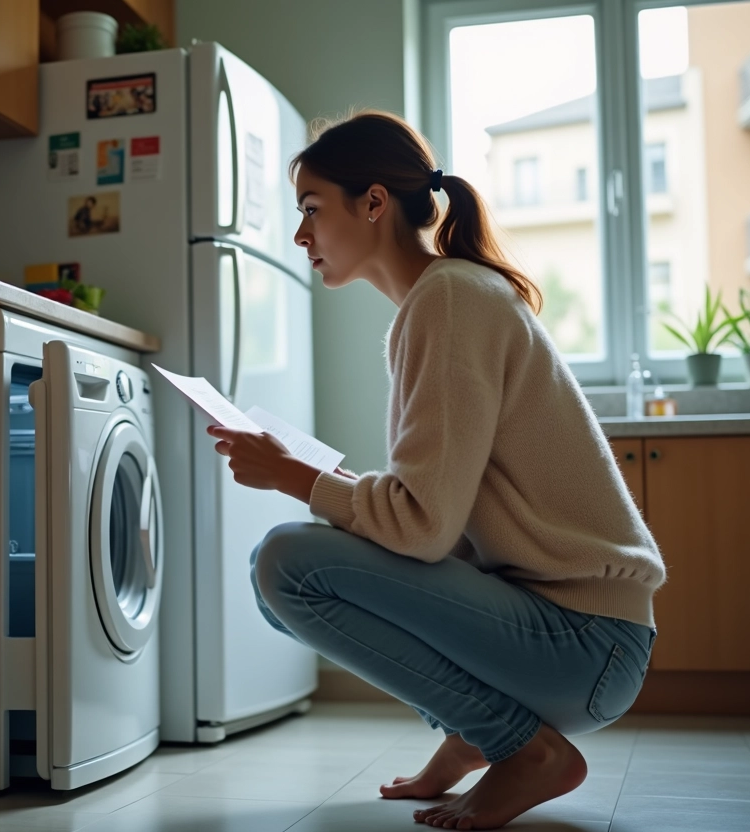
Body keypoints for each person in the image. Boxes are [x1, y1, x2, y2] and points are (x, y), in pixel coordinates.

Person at [207, 110, 666, 830]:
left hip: (584, 644)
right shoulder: (442, 302)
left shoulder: (449, 300)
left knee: (287, 561)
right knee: (278, 583)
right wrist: (319, 484)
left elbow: (421, 529)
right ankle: (475, 736)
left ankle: (523, 748)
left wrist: (297, 476)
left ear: (374, 203)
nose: (300, 236)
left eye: (311, 209)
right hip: (575, 643)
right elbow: (442, 532)